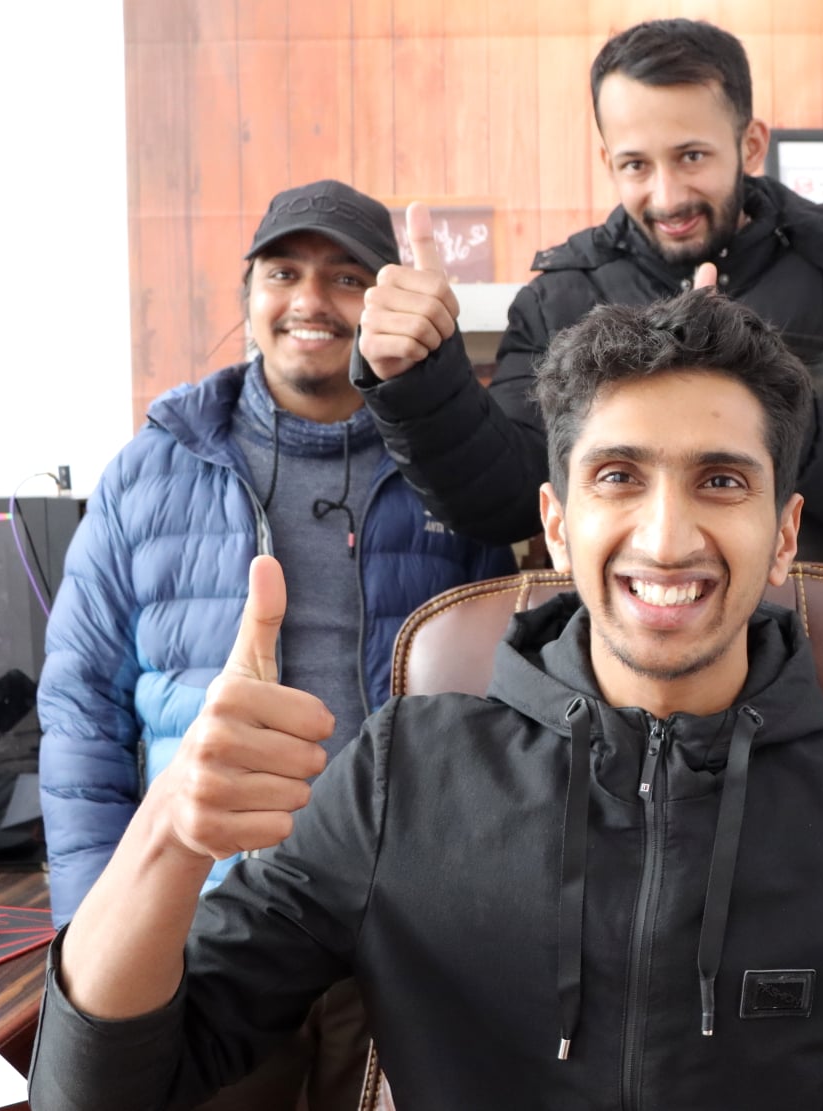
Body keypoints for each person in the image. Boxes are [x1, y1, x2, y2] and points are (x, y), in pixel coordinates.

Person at [27, 290, 823, 1110]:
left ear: (785, 533)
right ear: (556, 521)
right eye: (618, 476)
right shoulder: (398, 779)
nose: (666, 538)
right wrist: (169, 831)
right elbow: (96, 1090)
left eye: (720, 480)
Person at [36, 179, 517, 1108]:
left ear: (384, 300)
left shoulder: (448, 473)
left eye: (347, 278)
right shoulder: (152, 469)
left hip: (399, 924)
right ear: (248, 291)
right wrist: (101, 927)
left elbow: (493, 712)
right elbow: (80, 714)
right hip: (208, 921)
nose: (311, 300)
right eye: (284, 272)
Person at [351, 17, 823, 569]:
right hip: (620, 638)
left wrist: (760, 394)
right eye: (636, 165)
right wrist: (421, 378)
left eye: (691, 156)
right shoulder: (561, 298)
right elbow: (506, 504)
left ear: (750, 145)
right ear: (607, 160)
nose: (667, 198)